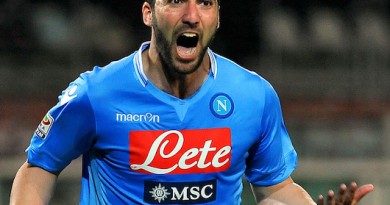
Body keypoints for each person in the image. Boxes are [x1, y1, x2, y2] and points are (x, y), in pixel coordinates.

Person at [10, 0, 374, 204]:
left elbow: (276, 190)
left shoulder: (253, 95)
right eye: (175, 1)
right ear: (148, 13)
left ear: (217, 16)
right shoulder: (96, 94)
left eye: (204, 3)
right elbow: (37, 168)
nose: (191, 15)